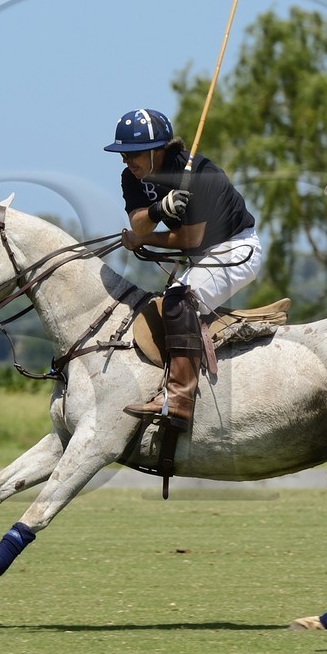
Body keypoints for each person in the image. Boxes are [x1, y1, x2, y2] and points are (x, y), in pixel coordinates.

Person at [103, 107, 263, 430]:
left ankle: (178, 401)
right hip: (203, 255)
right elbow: (138, 222)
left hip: (237, 248)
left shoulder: (199, 174)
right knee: (166, 305)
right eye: (123, 155)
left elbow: (191, 237)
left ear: (156, 151)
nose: (125, 162)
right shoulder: (131, 177)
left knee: (178, 300)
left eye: (132, 154)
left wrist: (143, 237)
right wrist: (158, 209)